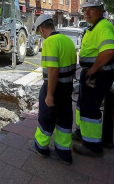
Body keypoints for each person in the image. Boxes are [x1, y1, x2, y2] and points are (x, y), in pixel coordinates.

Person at [73, 0, 114, 157]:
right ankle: (81, 133)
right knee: (82, 104)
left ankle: (92, 146)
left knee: (90, 108)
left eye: (91, 9)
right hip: (91, 75)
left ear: (101, 11)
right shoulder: (93, 27)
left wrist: (92, 70)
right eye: (85, 10)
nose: (87, 13)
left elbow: (108, 51)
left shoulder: (103, 27)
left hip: (98, 76)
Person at [29, 14, 77, 165]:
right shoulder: (67, 41)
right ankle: (63, 152)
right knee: (64, 118)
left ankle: (41, 146)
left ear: (42, 29)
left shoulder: (50, 42)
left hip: (54, 88)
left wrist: (49, 94)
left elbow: (52, 71)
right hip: (67, 87)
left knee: (46, 116)